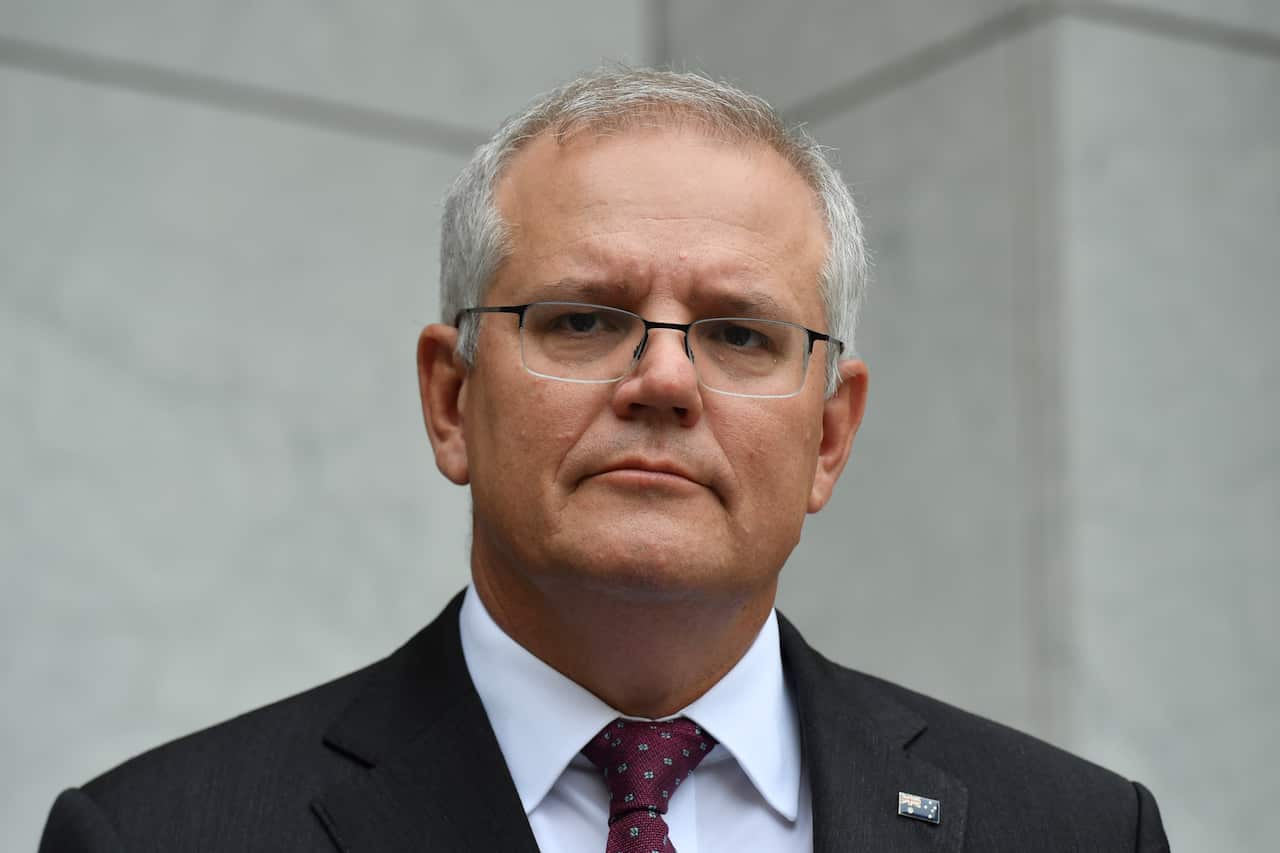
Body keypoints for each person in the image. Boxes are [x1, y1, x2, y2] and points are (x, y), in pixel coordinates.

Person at [39, 68, 1170, 853]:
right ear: (451, 398)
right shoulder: (161, 833)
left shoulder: (1071, 830)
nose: (664, 382)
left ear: (828, 436)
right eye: (582, 319)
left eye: (738, 333)